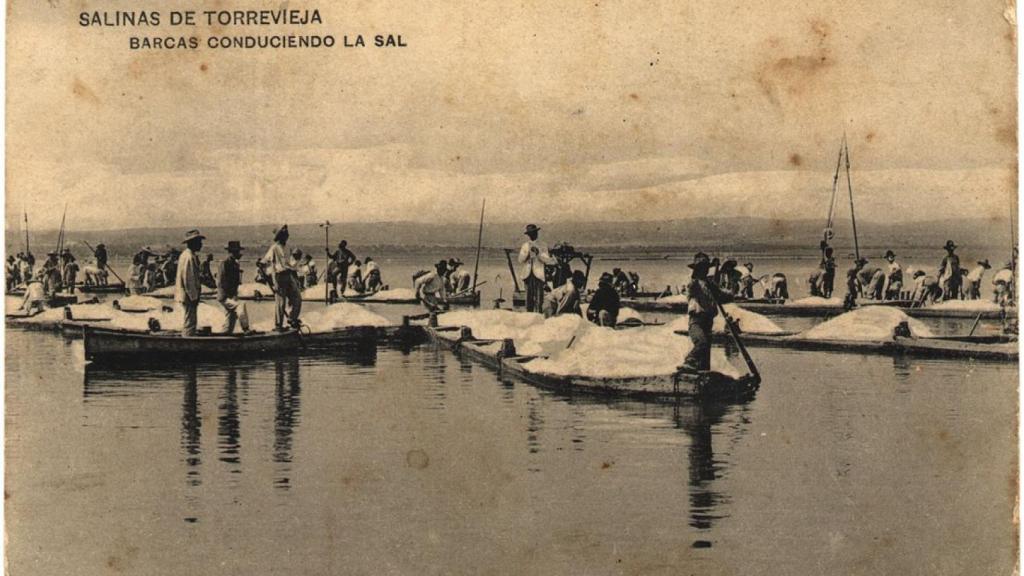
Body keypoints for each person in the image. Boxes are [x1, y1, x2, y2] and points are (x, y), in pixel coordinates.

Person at [682, 252, 731, 372]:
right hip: (696, 321)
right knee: (701, 343)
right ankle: (689, 361)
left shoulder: (710, 284)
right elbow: (691, 286)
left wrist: (729, 293)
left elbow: (722, 296)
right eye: (701, 268)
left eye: (705, 268)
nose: (704, 271)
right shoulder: (694, 283)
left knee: (705, 354)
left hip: (708, 321)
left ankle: (703, 374)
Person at [262, 225, 302, 331]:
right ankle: (278, 326)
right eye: (285, 235)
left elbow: (290, 263)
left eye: (287, 235)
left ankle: (292, 318)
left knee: (297, 298)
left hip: (289, 274)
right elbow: (265, 261)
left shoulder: (288, 247)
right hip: (279, 276)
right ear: (280, 236)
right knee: (281, 302)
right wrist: (268, 277)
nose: (287, 237)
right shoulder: (274, 248)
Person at [174, 229, 205, 336]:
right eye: (199, 242)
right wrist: (193, 297)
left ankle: (188, 338)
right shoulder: (188, 257)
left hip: (187, 294)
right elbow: (188, 279)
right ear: (193, 243)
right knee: (190, 322)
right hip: (188, 295)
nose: (201, 244)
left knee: (190, 320)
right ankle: (187, 340)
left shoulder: (187, 255)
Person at [217, 241, 251, 334]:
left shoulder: (235, 264)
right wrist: (228, 295)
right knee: (240, 305)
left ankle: (226, 333)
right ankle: (246, 329)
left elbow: (236, 282)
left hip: (231, 295)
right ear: (230, 252)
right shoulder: (224, 263)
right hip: (224, 296)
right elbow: (221, 282)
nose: (238, 253)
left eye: (237, 251)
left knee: (231, 315)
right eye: (236, 252)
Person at [518, 224, 554, 313]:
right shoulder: (525, 245)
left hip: (538, 275)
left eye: (534, 233)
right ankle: (528, 317)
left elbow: (547, 260)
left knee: (539, 300)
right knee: (528, 300)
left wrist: (538, 254)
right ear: (528, 235)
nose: (533, 235)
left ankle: (539, 317)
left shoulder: (543, 245)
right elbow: (520, 260)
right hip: (527, 275)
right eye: (531, 233)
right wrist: (527, 254)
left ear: (537, 233)